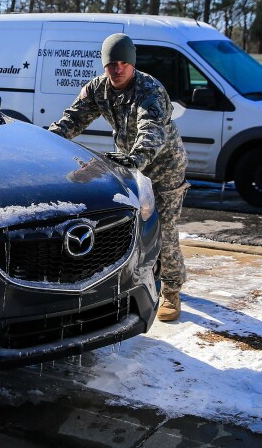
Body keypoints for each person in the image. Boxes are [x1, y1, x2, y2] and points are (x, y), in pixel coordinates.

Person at [48, 33, 189, 322]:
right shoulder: (97, 89)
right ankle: (135, 276)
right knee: (129, 222)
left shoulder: (150, 90)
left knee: (164, 227)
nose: (118, 69)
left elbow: (151, 131)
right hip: (131, 163)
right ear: (105, 65)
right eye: (112, 63)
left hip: (163, 165)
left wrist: (133, 161)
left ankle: (173, 290)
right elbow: (71, 120)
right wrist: (42, 144)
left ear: (132, 64)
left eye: (124, 62)